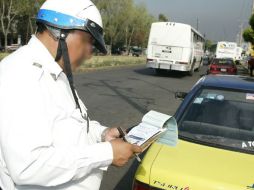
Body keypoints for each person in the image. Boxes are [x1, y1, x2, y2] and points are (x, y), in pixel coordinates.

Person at [0, 0, 142, 190]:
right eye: (88, 42)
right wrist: (106, 154)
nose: (89, 53)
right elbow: (28, 166)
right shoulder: (23, 74)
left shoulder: (55, 72)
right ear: (60, 32)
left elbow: (69, 126)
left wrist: (102, 134)